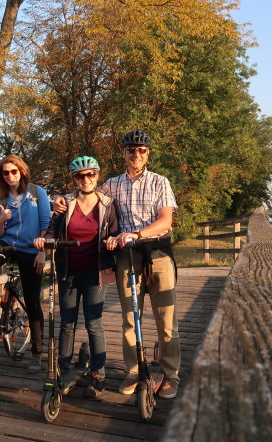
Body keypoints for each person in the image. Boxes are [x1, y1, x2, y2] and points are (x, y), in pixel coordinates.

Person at [54, 129, 181, 399]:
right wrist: (59, 200)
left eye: (141, 150)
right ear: (124, 153)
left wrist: (137, 234)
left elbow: (165, 221)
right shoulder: (112, 184)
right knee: (129, 318)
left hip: (156, 251)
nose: (136, 154)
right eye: (131, 150)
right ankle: (133, 371)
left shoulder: (160, 182)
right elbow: (84, 191)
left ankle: (171, 374)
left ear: (148, 154)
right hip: (127, 255)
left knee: (165, 318)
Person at [34, 156, 119, 398]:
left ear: (97, 176)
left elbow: (115, 231)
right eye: (80, 176)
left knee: (94, 323)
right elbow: (51, 232)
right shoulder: (65, 204)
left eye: (90, 174)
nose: (86, 179)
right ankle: (61, 368)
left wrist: (114, 241)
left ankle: (98, 372)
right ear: (74, 179)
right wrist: (44, 242)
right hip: (69, 271)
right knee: (67, 323)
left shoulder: (107, 203)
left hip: (96, 272)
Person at [0, 155, 51, 373]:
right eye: (5, 173)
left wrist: (41, 252)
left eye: (13, 171)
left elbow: (46, 223)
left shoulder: (37, 193)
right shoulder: (2, 200)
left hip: (30, 250)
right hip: (7, 247)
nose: (9, 176)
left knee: (33, 300)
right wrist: (0, 220)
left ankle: (36, 351)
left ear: (21, 171)